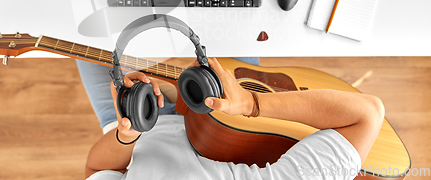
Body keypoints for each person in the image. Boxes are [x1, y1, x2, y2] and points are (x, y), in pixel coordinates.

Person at [77, 57, 384, 180]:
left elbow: (99, 168)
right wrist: (252, 102)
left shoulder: (131, 126)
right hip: (221, 102)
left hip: (139, 116)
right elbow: (366, 115)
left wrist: (125, 133)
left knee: (78, 15)